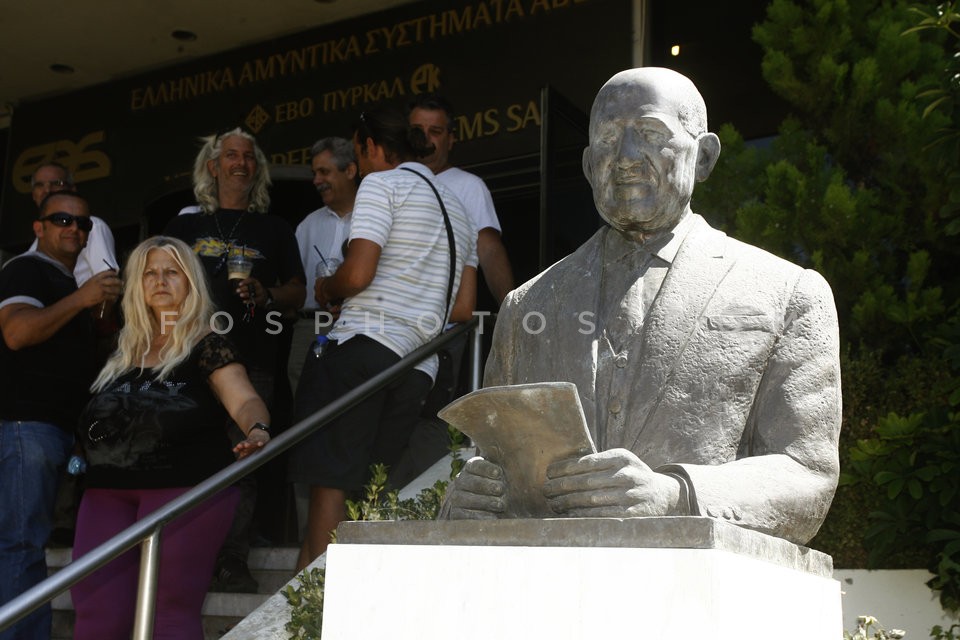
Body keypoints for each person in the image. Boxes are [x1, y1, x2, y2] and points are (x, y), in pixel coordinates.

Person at [441, 67, 842, 546]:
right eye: (609, 140)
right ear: (590, 165)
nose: (627, 157)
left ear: (705, 156)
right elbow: (497, 455)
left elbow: (808, 473)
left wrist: (676, 495)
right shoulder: (528, 305)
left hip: (694, 595)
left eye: (652, 134)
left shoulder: (788, 293)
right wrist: (471, 496)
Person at [289, 106, 478, 569]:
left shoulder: (382, 184)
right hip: (418, 368)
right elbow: (461, 310)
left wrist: (326, 287)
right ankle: (334, 600)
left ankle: (310, 601)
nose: (360, 165)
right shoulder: (459, 209)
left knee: (330, 483)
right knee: (369, 488)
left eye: (359, 152)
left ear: (373, 147)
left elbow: (356, 275)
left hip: (362, 350)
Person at [70, 236, 271, 640]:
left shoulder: (207, 344)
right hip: (105, 490)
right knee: (97, 614)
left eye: (172, 272)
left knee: (168, 615)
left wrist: (258, 430)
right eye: (149, 272)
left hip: (185, 491)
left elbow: (245, 398)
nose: (160, 280)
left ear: (191, 282)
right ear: (137, 285)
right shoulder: (122, 351)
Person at [164, 127, 305, 592]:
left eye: (249, 156)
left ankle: (230, 559)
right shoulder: (185, 228)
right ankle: (180, 552)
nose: (240, 163)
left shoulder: (276, 229)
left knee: (242, 460)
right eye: (231, 155)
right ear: (213, 166)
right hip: (187, 359)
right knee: (182, 455)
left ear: (256, 168)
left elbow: (298, 293)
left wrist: (267, 292)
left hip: (253, 359)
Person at [0, 191, 121, 640]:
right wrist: (84, 298)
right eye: (63, 219)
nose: (75, 229)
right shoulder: (26, 269)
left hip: (48, 431)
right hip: (22, 428)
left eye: (84, 223)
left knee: (26, 544)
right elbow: (15, 332)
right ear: (39, 228)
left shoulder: (70, 285)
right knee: (20, 544)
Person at [27, 161, 120, 548]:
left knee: (84, 432)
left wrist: (93, 327)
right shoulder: (33, 251)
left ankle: (69, 520)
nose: (49, 189)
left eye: (59, 183)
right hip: (47, 350)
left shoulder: (89, 226)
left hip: (88, 343)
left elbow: (108, 286)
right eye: (42, 185)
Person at [408, 93, 514, 305]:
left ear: (451, 138)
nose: (425, 138)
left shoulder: (469, 185)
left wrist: (512, 311)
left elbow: (489, 249)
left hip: (443, 320)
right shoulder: (391, 182)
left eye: (435, 132)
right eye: (417, 131)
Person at [289, 136, 358, 396]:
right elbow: (294, 282)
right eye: (314, 173)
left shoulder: (372, 216)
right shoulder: (308, 224)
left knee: (349, 402)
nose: (316, 180)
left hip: (356, 324)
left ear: (350, 170)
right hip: (309, 327)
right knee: (305, 406)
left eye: (324, 172)